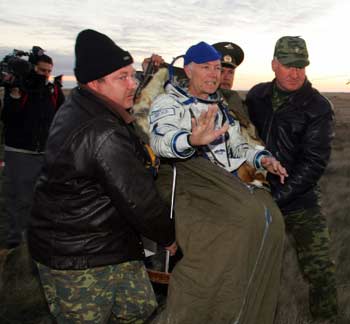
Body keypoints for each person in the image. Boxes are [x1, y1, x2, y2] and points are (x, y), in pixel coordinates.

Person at [28, 29, 176, 324]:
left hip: (107, 240)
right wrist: (169, 237)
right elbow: (139, 201)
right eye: (122, 77)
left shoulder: (83, 104)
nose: (132, 83)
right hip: (78, 255)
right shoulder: (102, 131)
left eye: (131, 74)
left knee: (139, 310)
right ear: (95, 82)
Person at [148, 41, 287, 324]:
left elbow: (240, 146)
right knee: (241, 221)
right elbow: (161, 142)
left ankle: (249, 312)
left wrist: (263, 160)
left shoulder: (220, 107)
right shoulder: (168, 102)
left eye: (216, 68)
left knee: (273, 221)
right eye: (205, 68)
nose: (213, 74)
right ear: (188, 70)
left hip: (225, 180)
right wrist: (190, 140)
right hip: (186, 178)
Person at [246, 36, 338, 323]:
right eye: (288, 65)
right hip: (255, 195)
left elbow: (314, 164)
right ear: (274, 65)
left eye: (301, 66)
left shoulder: (318, 106)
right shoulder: (256, 96)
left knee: (321, 268)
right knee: (244, 264)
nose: (295, 72)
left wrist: (277, 199)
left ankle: (326, 318)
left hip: (299, 198)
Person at [0, 53, 64, 249]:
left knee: (41, 201)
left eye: (48, 71)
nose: (45, 75)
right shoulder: (21, 88)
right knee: (18, 200)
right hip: (19, 152)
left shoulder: (52, 91)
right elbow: (8, 118)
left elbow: (61, 118)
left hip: (44, 154)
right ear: (32, 67)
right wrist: (16, 94)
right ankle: (15, 244)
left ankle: (35, 242)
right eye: (41, 70)